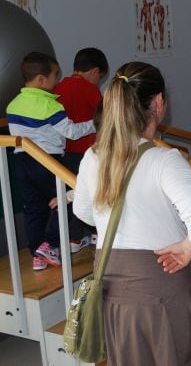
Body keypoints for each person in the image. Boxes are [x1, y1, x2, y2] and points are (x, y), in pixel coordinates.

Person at [73, 62, 191, 365]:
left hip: (111, 285)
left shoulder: (93, 155)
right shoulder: (165, 160)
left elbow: (83, 210)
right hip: (160, 282)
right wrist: (190, 247)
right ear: (158, 103)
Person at [5, 52, 95, 271]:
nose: (57, 80)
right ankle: (51, 243)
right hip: (47, 161)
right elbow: (71, 132)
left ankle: (37, 253)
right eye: (55, 75)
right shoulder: (50, 105)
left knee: (34, 209)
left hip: (22, 162)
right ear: (41, 80)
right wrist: (95, 124)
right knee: (69, 198)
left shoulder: (13, 105)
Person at [55, 47, 109, 251]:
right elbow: (105, 116)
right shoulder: (89, 89)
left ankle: (72, 239)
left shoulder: (59, 88)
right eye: (100, 77)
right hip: (88, 151)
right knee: (93, 192)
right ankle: (95, 234)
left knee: (73, 194)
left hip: (64, 152)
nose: (98, 82)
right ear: (95, 71)